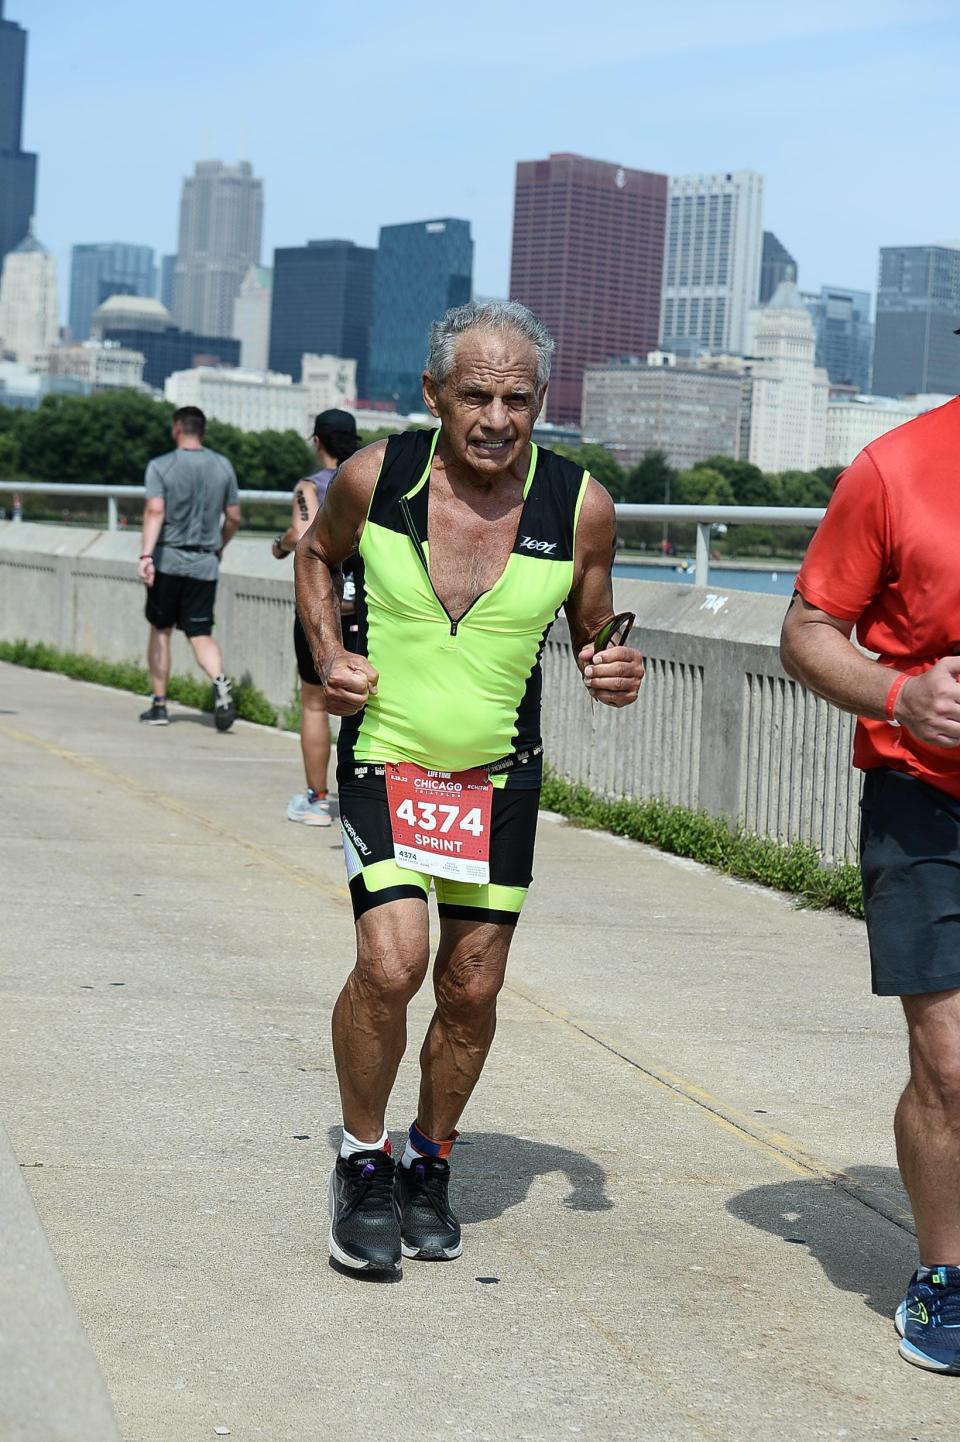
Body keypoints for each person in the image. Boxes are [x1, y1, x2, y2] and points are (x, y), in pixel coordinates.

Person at [295, 300, 644, 1274]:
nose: (498, 417)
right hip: (387, 762)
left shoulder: (581, 506)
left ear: (541, 402)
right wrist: (330, 651)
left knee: (473, 983)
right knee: (394, 962)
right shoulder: (378, 476)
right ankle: (364, 1162)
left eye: (519, 398)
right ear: (435, 395)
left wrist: (614, 666)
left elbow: (595, 628)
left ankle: (430, 1157)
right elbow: (316, 557)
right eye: (478, 395)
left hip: (498, 779)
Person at [780, 393, 960, 1374]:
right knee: (950, 1062)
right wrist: (904, 695)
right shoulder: (895, 467)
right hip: (927, 800)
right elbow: (807, 630)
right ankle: (945, 1275)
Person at [273, 409, 361, 826]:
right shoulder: (369, 481)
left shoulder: (311, 487)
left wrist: (278, 546)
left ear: (317, 442)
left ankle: (316, 799)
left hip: (322, 611)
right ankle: (369, 800)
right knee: (369, 707)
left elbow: (300, 534)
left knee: (314, 703)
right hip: (369, 609)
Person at [138, 406, 240, 731]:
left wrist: (146, 556)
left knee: (161, 630)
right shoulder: (223, 466)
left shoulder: (161, 466)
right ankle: (219, 682)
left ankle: (159, 705)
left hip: (169, 559)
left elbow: (155, 511)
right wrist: (219, 546)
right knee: (199, 632)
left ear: (177, 429)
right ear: (203, 430)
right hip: (205, 562)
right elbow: (234, 517)